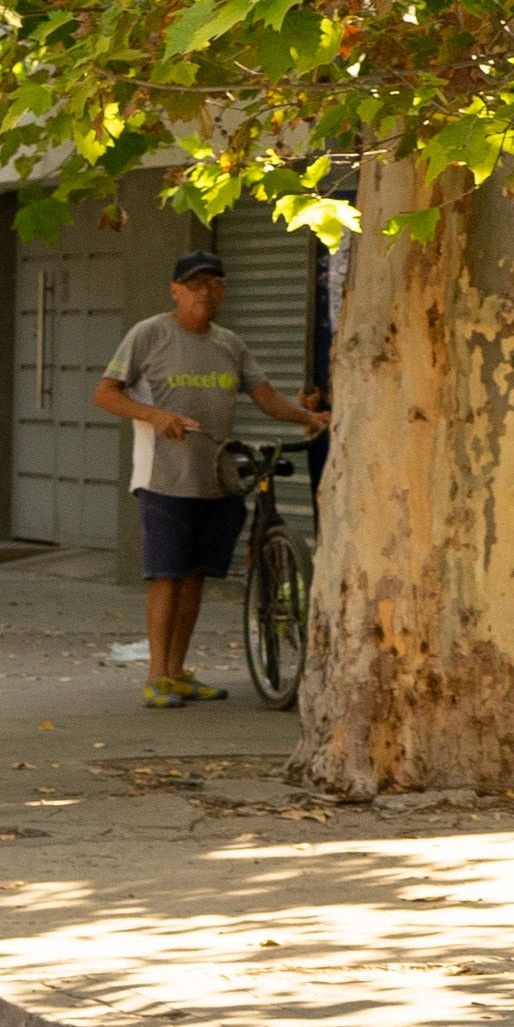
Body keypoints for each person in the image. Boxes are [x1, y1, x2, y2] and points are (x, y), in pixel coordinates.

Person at [95, 246, 330, 709]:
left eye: (214, 284)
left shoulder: (229, 344)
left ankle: (179, 672)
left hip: (217, 476)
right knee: (167, 575)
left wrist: (308, 416)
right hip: (165, 476)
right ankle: (156, 676)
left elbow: (263, 397)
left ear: (223, 292)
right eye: (195, 284)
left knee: (197, 576)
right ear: (176, 290)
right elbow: (105, 394)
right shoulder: (150, 334)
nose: (205, 292)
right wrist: (155, 416)